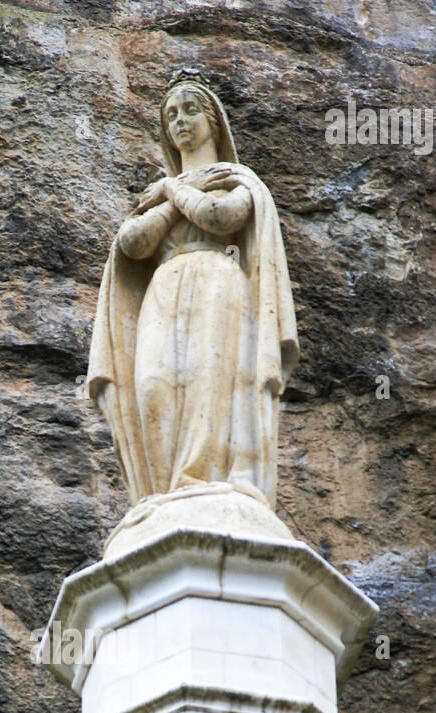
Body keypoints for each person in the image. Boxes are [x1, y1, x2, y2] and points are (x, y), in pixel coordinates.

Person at [88, 72, 299, 510]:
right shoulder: (162, 195)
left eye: (189, 110)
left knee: (210, 379)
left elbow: (221, 217)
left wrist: (171, 189)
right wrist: (174, 192)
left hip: (217, 280)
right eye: (170, 115)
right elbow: (132, 242)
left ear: (213, 121)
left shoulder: (236, 179)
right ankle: (162, 492)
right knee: (151, 383)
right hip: (163, 285)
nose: (179, 121)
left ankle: (201, 480)